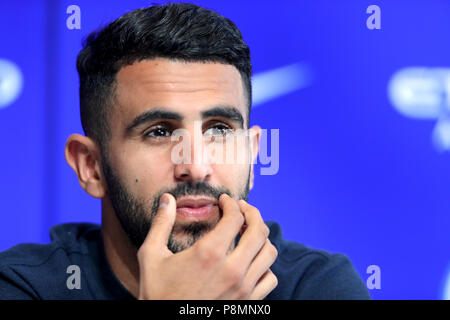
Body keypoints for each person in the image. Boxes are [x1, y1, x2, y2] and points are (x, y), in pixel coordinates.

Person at [0, 3, 370, 300]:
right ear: (91, 167)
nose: (195, 165)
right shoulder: (23, 286)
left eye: (220, 129)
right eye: (160, 132)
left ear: (253, 153)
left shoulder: (315, 286)